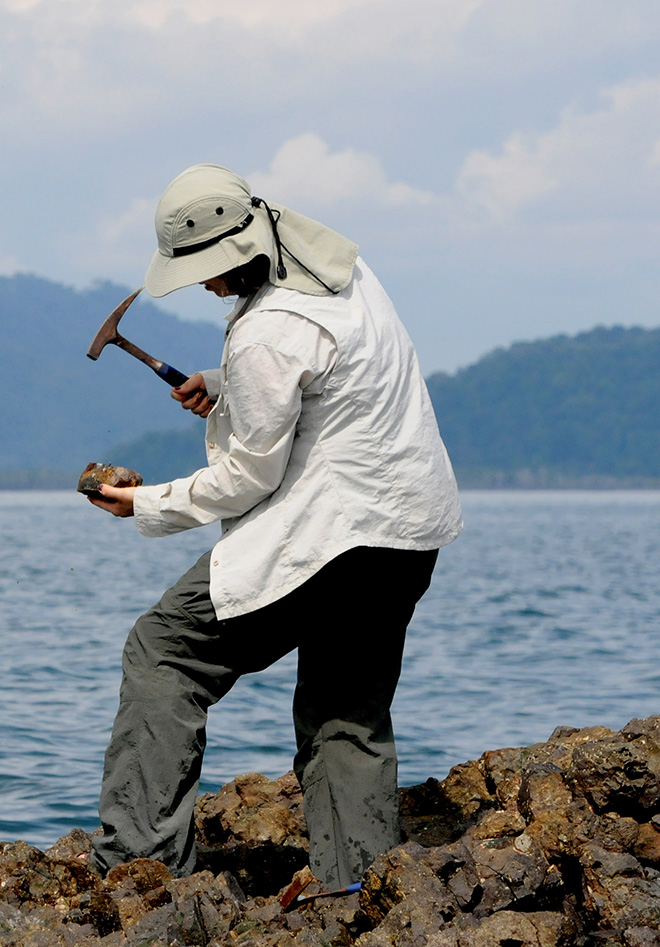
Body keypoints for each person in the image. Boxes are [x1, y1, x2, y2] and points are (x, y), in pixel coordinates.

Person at [84, 163, 463, 893]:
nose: (202, 284)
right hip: (407, 532)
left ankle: (139, 870)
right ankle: (361, 891)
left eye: (205, 270)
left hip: (331, 539)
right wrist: (225, 385)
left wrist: (145, 502)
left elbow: (247, 478)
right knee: (345, 711)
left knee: (165, 651)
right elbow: (329, 369)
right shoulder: (341, 269)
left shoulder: (267, 333)